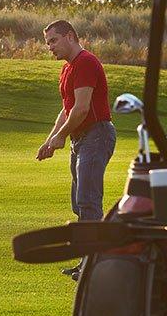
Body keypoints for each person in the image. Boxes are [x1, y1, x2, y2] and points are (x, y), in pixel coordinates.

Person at [37, 21, 116, 275]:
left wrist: (61, 137)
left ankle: (94, 266)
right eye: (47, 42)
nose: (50, 47)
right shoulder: (67, 69)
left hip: (97, 135)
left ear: (70, 36)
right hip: (81, 139)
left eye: (54, 41)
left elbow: (82, 109)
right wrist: (51, 139)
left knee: (88, 201)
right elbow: (66, 109)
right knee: (79, 203)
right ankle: (87, 262)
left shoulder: (86, 63)